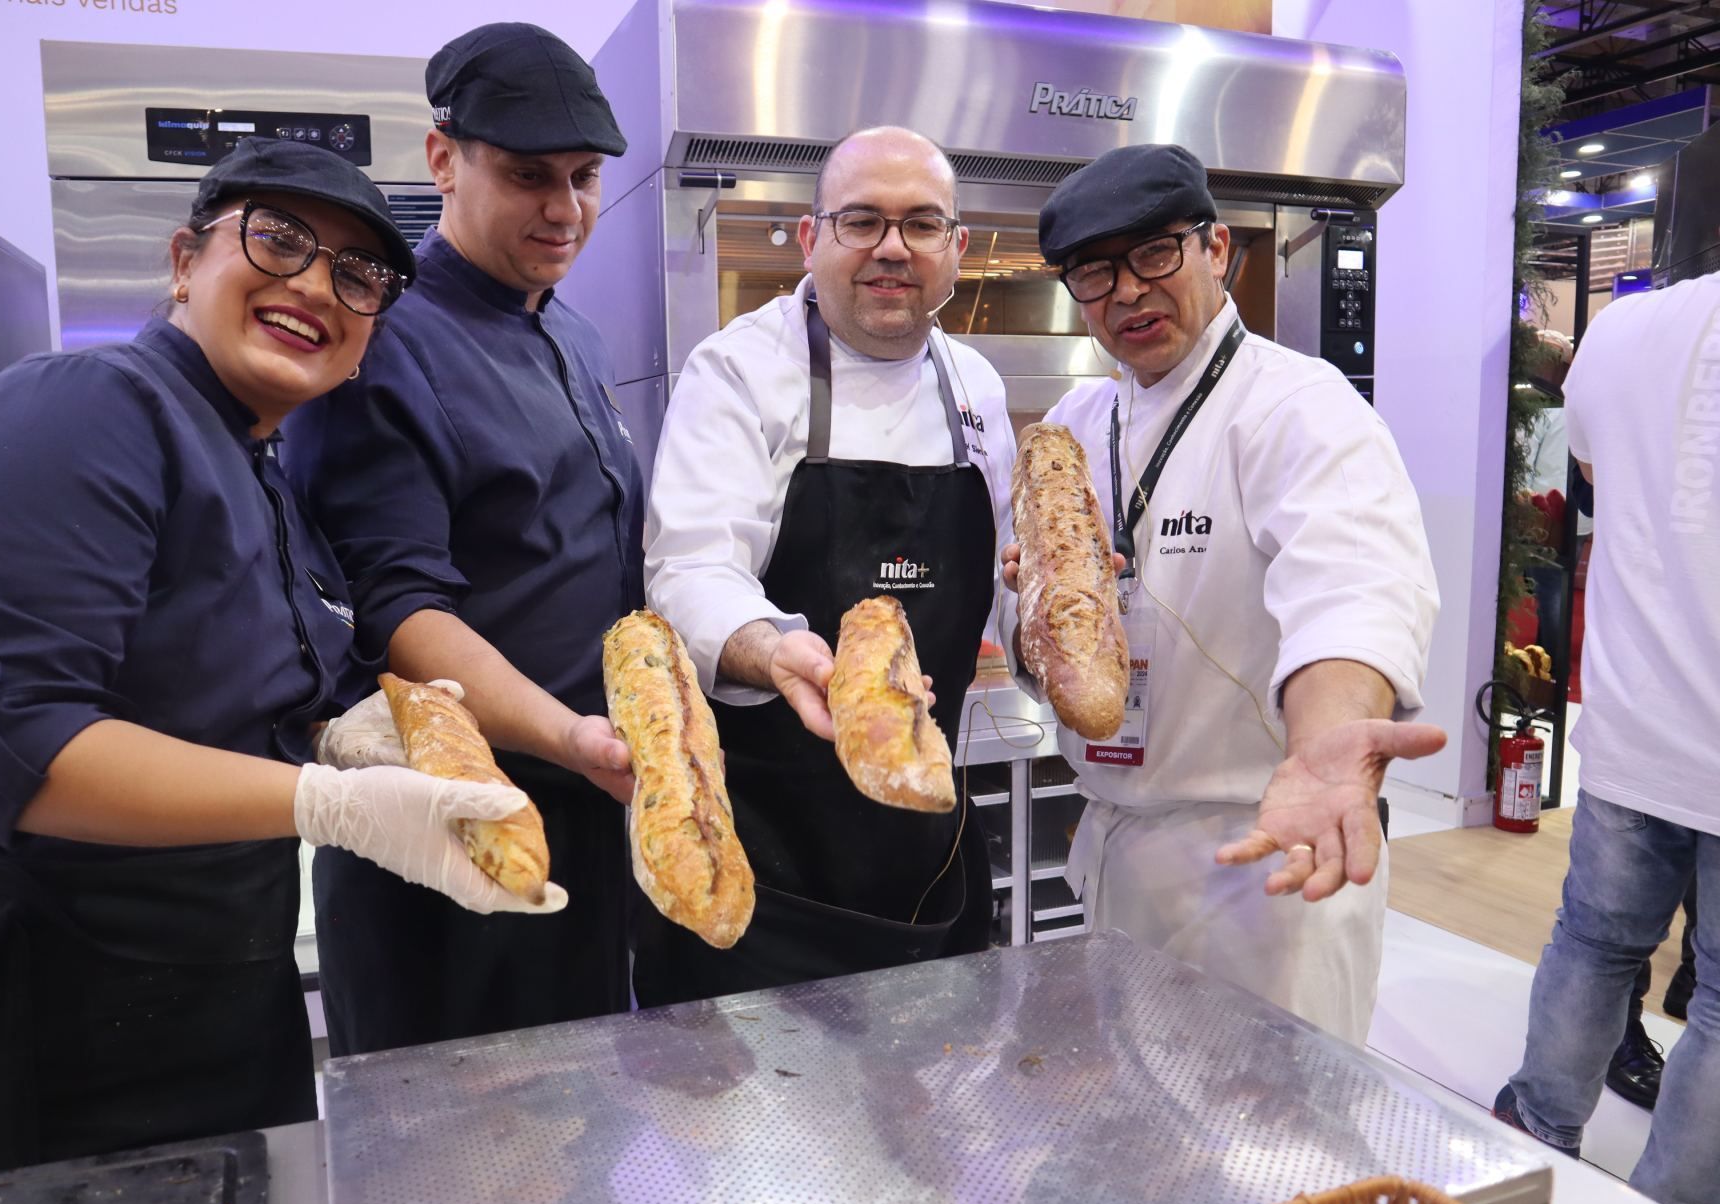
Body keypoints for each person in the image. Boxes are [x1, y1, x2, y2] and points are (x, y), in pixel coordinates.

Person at [0, 139, 556, 1193]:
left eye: (359, 275)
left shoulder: (263, 468)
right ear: (186, 261)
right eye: (279, 239)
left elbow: (224, 695)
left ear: (366, 339)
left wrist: (338, 733)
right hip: (39, 1024)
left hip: (222, 1004)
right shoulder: (81, 412)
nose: (315, 283)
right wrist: (333, 801)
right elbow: (9, 742)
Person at [1028, 144, 1443, 1044]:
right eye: (1094, 273)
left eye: (1155, 254)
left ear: (1216, 249)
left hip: (1265, 868)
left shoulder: (1300, 407)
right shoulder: (1073, 426)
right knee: (1135, 1154)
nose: (1128, 292)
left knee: (1273, 1160)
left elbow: (1351, 584)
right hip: (1112, 851)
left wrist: (1327, 747)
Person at [286, 24, 643, 1052]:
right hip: (450, 819)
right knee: (451, 1166)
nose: (566, 209)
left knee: (574, 1122)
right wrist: (570, 735)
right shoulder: (384, 342)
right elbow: (398, 612)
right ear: (442, 157)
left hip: (580, 800)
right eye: (530, 175)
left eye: (583, 177)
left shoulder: (570, 331)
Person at [633, 125, 1017, 1005]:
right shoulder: (737, 371)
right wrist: (775, 651)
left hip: (929, 837)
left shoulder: (976, 389)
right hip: (762, 856)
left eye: (923, 224)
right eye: (861, 221)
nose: (892, 248)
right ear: (812, 240)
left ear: (957, 250)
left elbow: (995, 580)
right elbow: (689, 571)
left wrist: (1030, 604)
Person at [1493, 264, 1719, 1204]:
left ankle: (1537, 1130)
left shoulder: (1629, 331)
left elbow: (1584, 463)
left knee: (1594, 940)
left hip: (1637, 713)